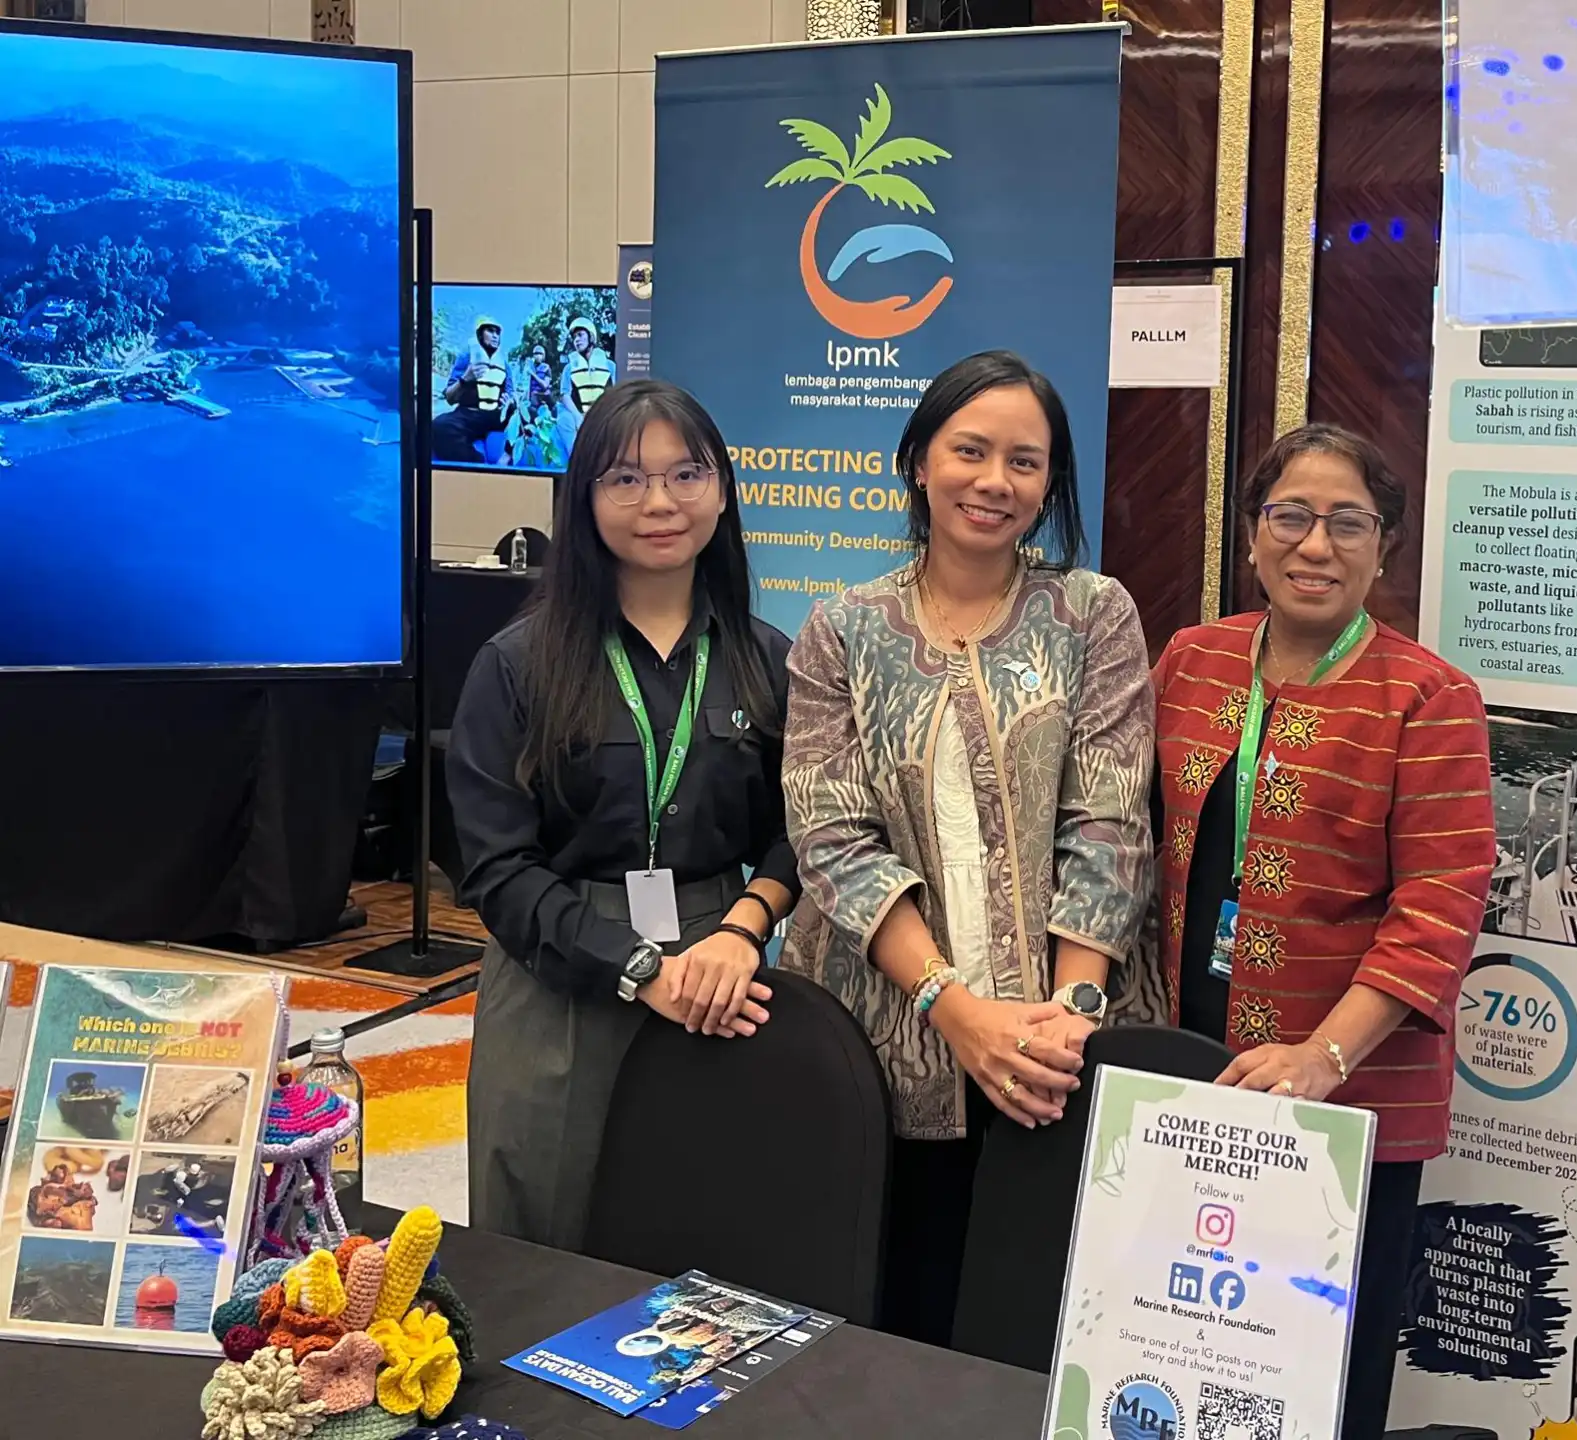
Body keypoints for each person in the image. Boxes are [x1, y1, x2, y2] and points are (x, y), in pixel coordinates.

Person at [781, 350, 1161, 1347]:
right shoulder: (841, 630)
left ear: (1048, 485)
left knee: (1047, 1324)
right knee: (899, 1316)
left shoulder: (1093, 614)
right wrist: (952, 1008)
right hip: (893, 1043)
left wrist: (1071, 1015)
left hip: (1061, 1050)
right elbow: (831, 838)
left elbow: (1111, 821)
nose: (995, 481)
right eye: (971, 451)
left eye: (1025, 462)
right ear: (918, 461)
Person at [1149, 422, 1494, 1440]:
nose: (1316, 545)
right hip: (1192, 1080)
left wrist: (1322, 1057)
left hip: (1348, 1104)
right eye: (1291, 516)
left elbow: (1438, 910)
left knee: (1318, 1379)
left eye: (1349, 524)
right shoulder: (1192, 659)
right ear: (1252, 535)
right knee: (1181, 1352)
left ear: (1385, 547)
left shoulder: (1429, 698)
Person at [449, 379, 797, 1250]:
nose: (660, 503)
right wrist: (641, 966)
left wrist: (743, 930)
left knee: (710, 1238)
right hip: (554, 973)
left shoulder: (768, 660)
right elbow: (496, 869)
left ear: (720, 490)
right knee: (539, 1238)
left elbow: (809, 830)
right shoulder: (516, 665)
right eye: (625, 479)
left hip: (724, 973)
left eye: (686, 475)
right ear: (584, 498)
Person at [433, 316, 517, 465]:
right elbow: (449, 398)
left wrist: (510, 401)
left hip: (496, 415)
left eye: (497, 333)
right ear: (479, 335)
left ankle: (506, 455)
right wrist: (466, 378)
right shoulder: (466, 358)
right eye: (490, 331)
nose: (495, 336)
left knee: (528, 414)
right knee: (438, 426)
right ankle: (478, 463)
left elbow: (511, 393)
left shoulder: (504, 364)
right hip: (468, 414)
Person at [557, 316, 616, 465]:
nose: (577, 340)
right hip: (579, 414)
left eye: (580, 335)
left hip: (602, 416)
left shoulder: (610, 366)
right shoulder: (569, 368)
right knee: (564, 420)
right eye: (574, 337)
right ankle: (576, 463)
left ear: (591, 336)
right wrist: (578, 417)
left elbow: (616, 395)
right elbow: (565, 395)